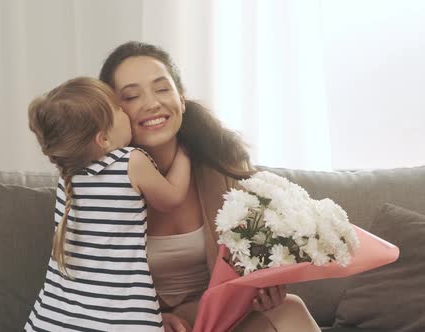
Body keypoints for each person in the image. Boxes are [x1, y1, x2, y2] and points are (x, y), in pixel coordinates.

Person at [99, 41, 322, 332]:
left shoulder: (221, 161)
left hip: (216, 318)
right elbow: (91, 286)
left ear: (181, 98)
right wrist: (148, 319)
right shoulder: (99, 183)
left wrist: (264, 289)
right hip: (139, 325)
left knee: (289, 308)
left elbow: (254, 258)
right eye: (131, 96)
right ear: (113, 112)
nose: (151, 103)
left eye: (162, 89)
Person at [23, 77, 193, 331]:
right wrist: (187, 149)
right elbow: (172, 197)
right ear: (103, 139)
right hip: (121, 320)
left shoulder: (67, 176)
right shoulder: (129, 161)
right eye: (119, 109)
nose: (126, 113)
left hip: (53, 318)